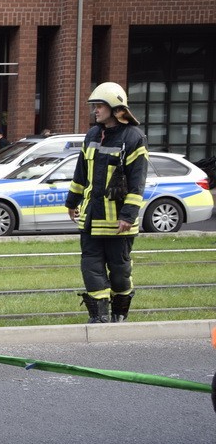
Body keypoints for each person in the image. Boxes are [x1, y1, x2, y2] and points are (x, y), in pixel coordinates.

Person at [65, 82, 148, 323]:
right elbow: (81, 173)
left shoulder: (133, 138)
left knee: (120, 271)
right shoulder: (92, 135)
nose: (96, 110)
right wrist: (72, 202)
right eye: (94, 106)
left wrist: (128, 215)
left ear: (115, 108)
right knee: (91, 269)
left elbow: (137, 182)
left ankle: (119, 315)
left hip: (117, 222)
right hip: (91, 219)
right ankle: (99, 317)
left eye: (100, 105)